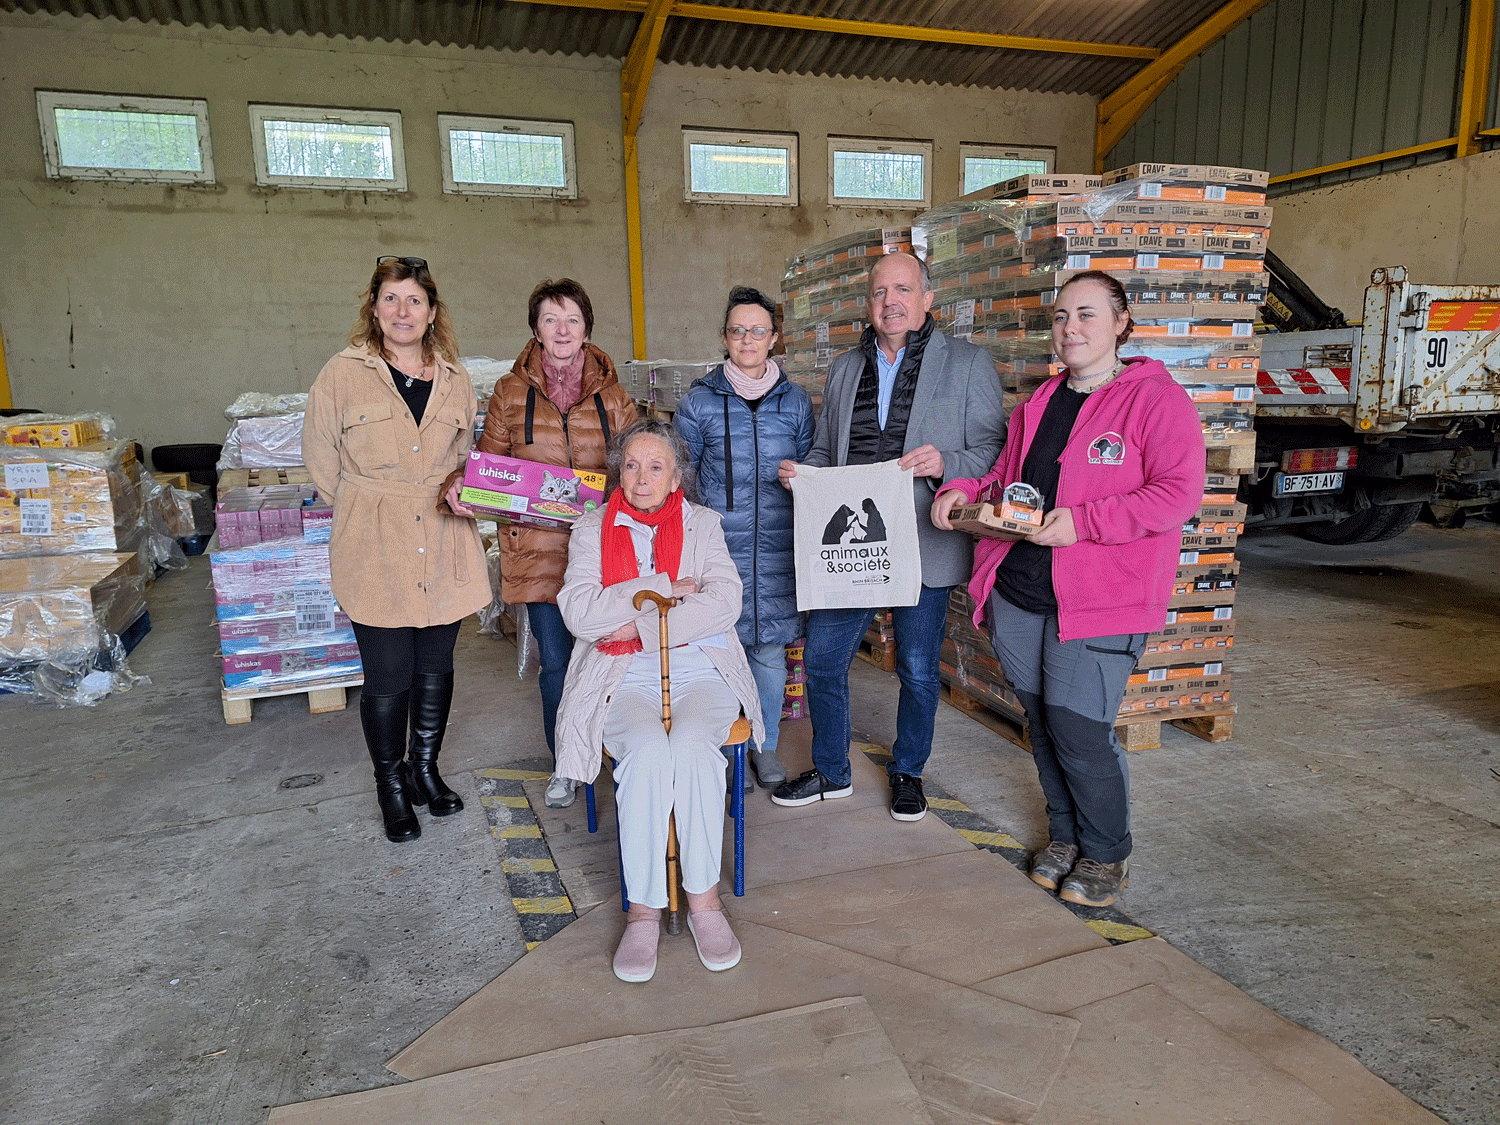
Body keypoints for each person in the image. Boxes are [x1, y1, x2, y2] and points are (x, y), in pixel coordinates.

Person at [932, 270, 1205, 907]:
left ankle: (1107, 853)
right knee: (1043, 722)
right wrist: (965, 494)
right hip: (1023, 589)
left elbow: (1177, 493)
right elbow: (1007, 475)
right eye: (1060, 316)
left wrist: (1083, 523)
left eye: (1086, 314)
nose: (1070, 328)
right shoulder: (1041, 401)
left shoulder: (1154, 400)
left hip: (1102, 596)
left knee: (1080, 730)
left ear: (1122, 323)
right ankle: (1064, 836)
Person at [773, 252, 1006, 822]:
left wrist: (944, 462)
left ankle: (908, 771)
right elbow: (829, 451)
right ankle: (831, 770)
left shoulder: (968, 365)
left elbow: (994, 452)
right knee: (825, 660)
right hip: (851, 546)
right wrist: (802, 474)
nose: (890, 302)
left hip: (925, 541)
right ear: (869, 304)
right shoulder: (847, 370)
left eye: (903, 289)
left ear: (928, 299)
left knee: (919, 669)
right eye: (880, 292)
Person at [553, 420, 766, 983]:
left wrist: (634, 621)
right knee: (647, 754)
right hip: (622, 676)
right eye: (630, 466)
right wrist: (666, 591)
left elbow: (724, 604)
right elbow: (579, 612)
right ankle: (644, 912)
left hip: (702, 671)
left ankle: (704, 903)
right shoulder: (591, 528)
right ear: (616, 472)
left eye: (655, 467)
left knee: (694, 750)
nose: (641, 478)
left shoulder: (703, 525)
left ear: (677, 478)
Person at [305, 256, 490, 843]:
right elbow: (320, 455)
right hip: (374, 537)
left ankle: (424, 771)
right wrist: (368, 506)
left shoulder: (457, 377)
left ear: (432, 312)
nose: (402, 311)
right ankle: (390, 784)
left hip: (442, 536)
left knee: (436, 666)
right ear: (374, 307)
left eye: (414, 300)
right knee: (388, 675)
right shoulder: (343, 372)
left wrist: (460, 487)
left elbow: (465, 457)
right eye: (391, 299)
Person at [444, 279, 639, 809]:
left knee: (613, 654)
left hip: (603, 549)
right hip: (538, 550)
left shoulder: (614, 396)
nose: (562, 330)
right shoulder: (510, 392)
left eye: (572, 319)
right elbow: (488, 468)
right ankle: (567, 764)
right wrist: (465, 487)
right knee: (557, 662)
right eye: (551, 319)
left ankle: (621, 750)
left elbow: (639, 464)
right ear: (536, 327)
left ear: (587, 329)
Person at [673, 286, 814, 791]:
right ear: (726, 338)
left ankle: (764, 744)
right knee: (714, 649)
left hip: (778, 543)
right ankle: (720, 744)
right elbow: (681, 475)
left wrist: (805, 471)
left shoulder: (795, 401)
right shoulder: (699, 400)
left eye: (758, 330)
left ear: (774, 338)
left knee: (769, 653)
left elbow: (814, 461)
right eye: (738, 331)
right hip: (720, 548)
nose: (747, 339)